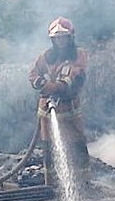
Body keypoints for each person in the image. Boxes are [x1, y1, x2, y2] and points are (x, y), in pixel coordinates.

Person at [28, 17, 90, 187]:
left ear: (70, 38)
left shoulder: (78, 55)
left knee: (77, 145)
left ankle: (83, 183)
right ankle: (51, 185)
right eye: (57, 38)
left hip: (70, 110)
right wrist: (40, 83)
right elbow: (33, 74)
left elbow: (76, 76)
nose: (60, 41)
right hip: (48, 112)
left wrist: (56, 86)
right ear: (52, 40)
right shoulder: (45, 57)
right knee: (49, 148)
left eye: (63, 37)